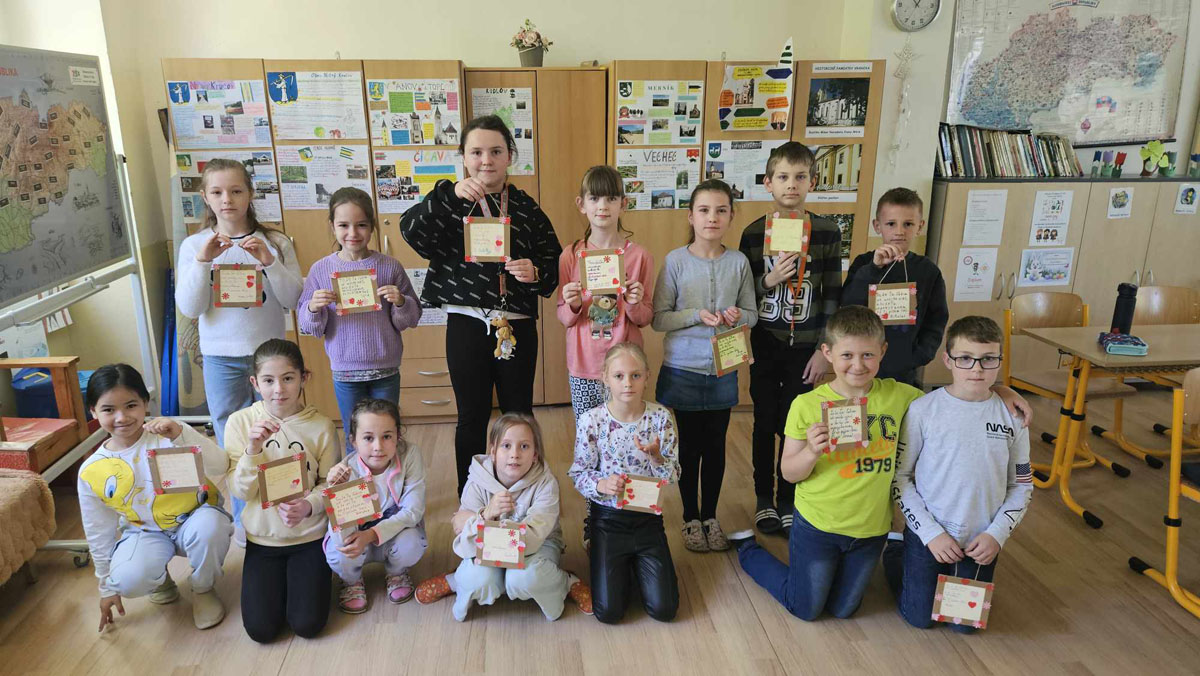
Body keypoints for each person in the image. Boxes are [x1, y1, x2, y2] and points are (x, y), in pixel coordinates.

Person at [729, 307, 1030, 621]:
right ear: (827, 353)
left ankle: (877, 557)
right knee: (805, 609)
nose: (858, 365)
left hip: (871, 531)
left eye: (868, 355)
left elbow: (953, 395)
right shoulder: (806, 404)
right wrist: (811, 452)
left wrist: (1000, 391)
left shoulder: (902, 396)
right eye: (847, 355)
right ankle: (749, 550)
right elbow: (789, 473)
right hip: (819, 526)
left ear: (882, 352)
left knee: (844, 610)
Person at [400, 115, 561, 495]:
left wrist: (536, 272)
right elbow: (411, 232)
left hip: (515, 324)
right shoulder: (449, 200)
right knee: (471, 416)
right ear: (463, 157)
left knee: (518, 415)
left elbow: (553, 262)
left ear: (510, 156)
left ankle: (523, 495)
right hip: (467, 324)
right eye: (476, 152)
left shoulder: (525, 207)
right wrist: (449, 196)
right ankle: (471, 499)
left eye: (495, 151)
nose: (486, 160)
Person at [176, 158, 303, 544]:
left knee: (281, 433)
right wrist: (203, 262)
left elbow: (293, 299)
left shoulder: (276, 242)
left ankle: (285, 512)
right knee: (232, 440)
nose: (227, 200)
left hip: (270, 357)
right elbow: (190, 308)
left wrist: (269, 262)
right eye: (217, 192)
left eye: (235, 191)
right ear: (205, 197)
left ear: (249, 194)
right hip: (221, 359)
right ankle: (245, 520)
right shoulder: (194, 245)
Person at [884, 316, 1033, 632]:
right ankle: (897, 550)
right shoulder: (923, 410)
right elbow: (900, 477)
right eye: (965, 358)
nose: (977, 369)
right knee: (920, 618)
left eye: (988, 359)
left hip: (980, 539)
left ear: (1000, 360)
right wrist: (930, 533)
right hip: (929, 534)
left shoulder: (1014, 417)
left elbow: (1022, 484)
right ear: (947, 360)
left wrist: (996, 535)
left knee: (964, 625)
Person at [738, 142, 842, 536]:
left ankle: (788, 498)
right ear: (768, 183)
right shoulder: (753, 233)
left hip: (807, 347)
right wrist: (769, 280)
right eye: (782, 177)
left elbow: (833, 294)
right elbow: (743, 294)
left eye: (800, 177)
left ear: (812, 182)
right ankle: (763, 498)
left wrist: (824, 351)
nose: (791, 184)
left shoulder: (827, 231)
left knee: (795, 422)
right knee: (764, 421)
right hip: (766, 341)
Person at [80, 364, 232, 631]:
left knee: (211, 527)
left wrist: (182, 434)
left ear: (145, 402)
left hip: (194, 520)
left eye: (130, 405)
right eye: (108, 409)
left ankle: (203, 589)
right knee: (126, 579)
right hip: (144, 532)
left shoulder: (169, 434)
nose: (121, 417)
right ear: (93, 411)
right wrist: (106, 586)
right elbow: (98, 531)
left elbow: (221, 466)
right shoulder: (91, 470)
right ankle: (160, 580)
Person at [652, 178, 757, 552]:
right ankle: (689, 518)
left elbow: (753, 314)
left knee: (715, 447)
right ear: (691, 216)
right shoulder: (675, 261)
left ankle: (710, 516)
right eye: (704, 210)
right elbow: (659, 318)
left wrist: (738, 316)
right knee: (689, 447)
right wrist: (695, 315)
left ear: (731, 216)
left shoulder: (739, 262)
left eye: (721, 210)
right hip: (683, 368)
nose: (712, 217)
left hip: (723, 368)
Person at [414, 413, 592, 621]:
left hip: (536, 547)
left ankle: (565, 582)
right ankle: (456, 581)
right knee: (477, 578)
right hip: (488, 546)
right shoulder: (477, 480)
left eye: (524, 446)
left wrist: (477, 523)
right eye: (506, 446)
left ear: (535, 455)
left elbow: (534, 536)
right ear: (493, 452)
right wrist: (487, 514)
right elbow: (463, 537)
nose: (514, 454)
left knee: (524, 578)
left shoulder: (546, 483)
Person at [225, 339, 339, 642]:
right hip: (263, 541)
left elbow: (330, 483)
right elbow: (240, 491)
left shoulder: (322, 426)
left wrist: (309, 505)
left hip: (309, 537)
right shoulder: (240, 423)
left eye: (288, 378)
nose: (279, 389)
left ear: (304, 377)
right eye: (268, 380)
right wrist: (252, 449)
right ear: (255, 383)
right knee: (261, 630)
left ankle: (308, 580)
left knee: (308, 625)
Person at [569, 343, 680, 623]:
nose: (628, 383)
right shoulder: (592, 420)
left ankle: (634, 565)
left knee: (664, 610)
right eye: (619, 376)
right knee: (609, 612)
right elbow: (578, 473)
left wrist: (656, 457)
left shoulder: (661, 418)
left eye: (635, 375)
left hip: (647, 520)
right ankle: (618, 563)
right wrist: (602, 484)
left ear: (647, 376)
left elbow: (673, 474)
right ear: (605, 378)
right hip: (608, 522)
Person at [298, 187, 421, 439]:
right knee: (355, 436)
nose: (353, 233)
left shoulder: (389, 267)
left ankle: (391, 467)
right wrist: (312, 307)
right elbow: (308, 325)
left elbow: (411, 317)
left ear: (372, 226)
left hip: (385, 369)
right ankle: (358, 468)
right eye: (343, 225)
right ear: (332, 226)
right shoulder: (320, 270)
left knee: (387, 434)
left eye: (361, 225)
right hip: (345, 371)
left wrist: (400, 302)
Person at [557, 165, 653, 420]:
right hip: (583, 364)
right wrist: (573, 304)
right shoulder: (570, 255)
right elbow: (564, 317)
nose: (602, 206)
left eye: (611, 198)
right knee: (587, 432)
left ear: (624, 204)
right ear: (581, 204)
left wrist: (633, 302)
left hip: (626, 368)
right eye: (594, 198)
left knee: (624, 430)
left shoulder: (640, 256)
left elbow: (645, 318)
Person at [323, 398, 427, 612]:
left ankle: (396, 572)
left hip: (392, 535)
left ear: (398, 436)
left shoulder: (410, 455)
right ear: (353, 441)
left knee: (413, 542)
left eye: (387, 436)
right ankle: (351, 581)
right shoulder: (346, 471)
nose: (378, 447)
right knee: (339, 550)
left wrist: (371, 534)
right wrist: (336, 491)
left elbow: (413, 510)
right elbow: (342, 538)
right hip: (358, 539)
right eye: (368, 438)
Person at [841, 188, 948, 386]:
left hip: (905, 368)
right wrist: (874, 268)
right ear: (877, 226)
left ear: (920, 226)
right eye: (891, 224)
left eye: (908, 224)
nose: (899, 231)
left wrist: (919, 354)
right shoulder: (864, 264)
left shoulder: (928, 271)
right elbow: (847, 305)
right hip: (859, 366)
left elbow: (937, 319)